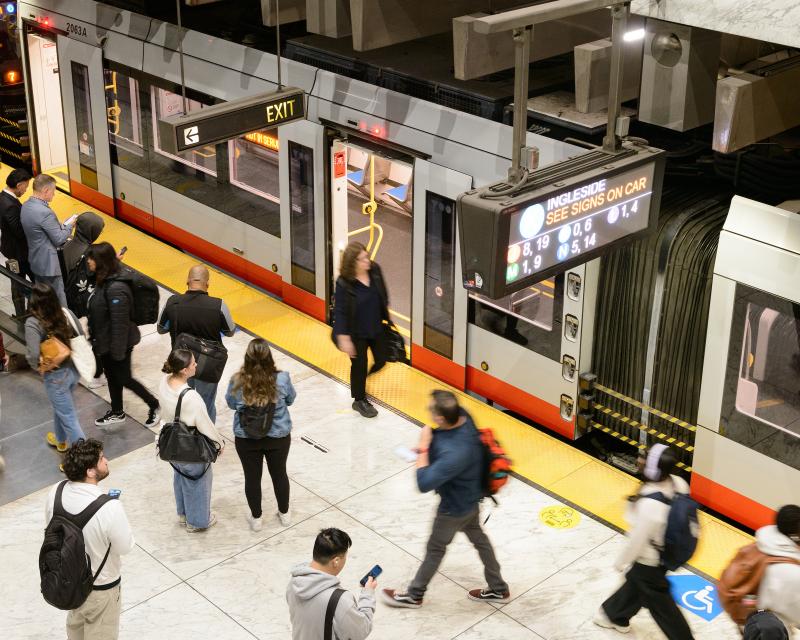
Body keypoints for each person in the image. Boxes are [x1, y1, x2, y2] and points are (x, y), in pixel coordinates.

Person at [382, 390, 510, 608]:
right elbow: (443, 438)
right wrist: (429, 451)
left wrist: (423, 447)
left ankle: (414, 594)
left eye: (432, 410)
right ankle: (499, 588)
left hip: (454, 508)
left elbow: (424, 483)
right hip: (472, 498)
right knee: (479, 539)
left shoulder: (455, 453)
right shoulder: (463, 417)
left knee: (435, 549)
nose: (428, 412)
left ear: (441, 417)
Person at [593, 444, 694, 638]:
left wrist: (621, 561)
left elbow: (637, 541)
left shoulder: (650, 505)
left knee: (661, 604)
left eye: (643, 457)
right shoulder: (679, 483)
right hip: (667, 552)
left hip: (650, 559)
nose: (638, 459)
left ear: (652, 467)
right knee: (637, 584)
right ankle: (615, 616)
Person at [45, 438, 135, 640]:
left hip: (68, 582)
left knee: (75, 632)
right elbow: (125, 546)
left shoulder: (55, 492)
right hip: (101, 588)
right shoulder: (109, 507)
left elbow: (51, 531)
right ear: (90, 471)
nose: (107, 461)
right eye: (102, 458)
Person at [85, 242, 160, 428]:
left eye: (91, 258)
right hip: (106, 341)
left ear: (100, 262)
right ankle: (117, 411)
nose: (88, 261)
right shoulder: (104, 278)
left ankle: (154, 404)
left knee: (124, 378)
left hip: (119, 343)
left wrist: (117, 353)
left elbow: (120, 324)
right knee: (112, 377)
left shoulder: (116, 288)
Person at [225, 338, 295, 531]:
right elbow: (291, 400)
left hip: (246, 439)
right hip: (278, 436)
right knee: (279, 473)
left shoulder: (237, 380)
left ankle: (256, 519)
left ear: (246, 358)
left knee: (252, 478)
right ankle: (285, 513)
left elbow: (231, 404)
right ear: (269, 357)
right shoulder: (282, 378)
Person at [157, 265, 235, 421]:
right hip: (208, 364)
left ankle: (186, 435)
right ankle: (207, 441)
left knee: (183, 402)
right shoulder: (218, 305)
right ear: (207, 284)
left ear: (187, 281)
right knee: (206, 405)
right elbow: (230, 331)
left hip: (182, 362)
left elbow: (161, 328)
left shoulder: (173, 302)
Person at [159, 348, 224, 532]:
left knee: (180, 477)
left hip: (171, 443)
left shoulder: (164, 381)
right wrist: (219, 443)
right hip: (190, 447)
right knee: (197, 483)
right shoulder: (191, 397)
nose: (196, 365)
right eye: (193, 363)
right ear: (185, 370)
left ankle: (183, 514)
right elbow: (205, 425)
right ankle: (197, 522)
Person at [25, 283, 86, 459]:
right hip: (73, 370)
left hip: (55, 376)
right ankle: (61, 441)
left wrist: (38, 367)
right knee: (62, 408)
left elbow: (33, 354)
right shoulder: (65, 312)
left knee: (70, 419)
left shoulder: (33, 322)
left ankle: (83, 460)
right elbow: (80, 332)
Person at [332, 242, 389, 419]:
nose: (367, 260)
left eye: (367, 256)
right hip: (356, 333)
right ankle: (359, 399)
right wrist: (343, 336)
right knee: (359, 365)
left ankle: (363, 380)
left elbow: (382, 293)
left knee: (382, 359)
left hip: (376, 326)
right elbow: (340, 310)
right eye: (363, 258)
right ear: (352, 262)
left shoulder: (375, 270)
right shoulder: (344, 283)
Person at [287, 528, 376, 640]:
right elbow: (361, 631)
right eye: (345, 557)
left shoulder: (294, 582)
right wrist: (368, 593)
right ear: (336, 561)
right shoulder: (339, 600)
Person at [20, 173, 76, 307]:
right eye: (53, 191)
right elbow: (59, 239)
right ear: (45, 190)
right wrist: (69, 227)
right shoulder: (45, 212)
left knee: (43, 300)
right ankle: (64, 325)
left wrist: (59, 227)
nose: (54, 195)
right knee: (59, 300)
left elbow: (42, 231)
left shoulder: (26, 206)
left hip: (36, 261)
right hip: (50, 266)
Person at [755, 504, 800, 632]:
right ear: (795, 536)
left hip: (751, 617)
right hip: (772, 629)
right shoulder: (792, 572)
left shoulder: (763, 544)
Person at [0, 167, 34, 316]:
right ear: (19, 185)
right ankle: (26, 313)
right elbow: (19, 232)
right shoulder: (10, 205)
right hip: (20, 254)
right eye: (26, 186)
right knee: (27, 282)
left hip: (10, 250)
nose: (26, 190)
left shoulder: (2, 197)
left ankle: (22, 313)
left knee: (17, 281)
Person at [60, 211, 105, 318]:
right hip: (81, 306)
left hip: (66, 296)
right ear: (91, 231)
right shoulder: (90, 254)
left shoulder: (66, 244)